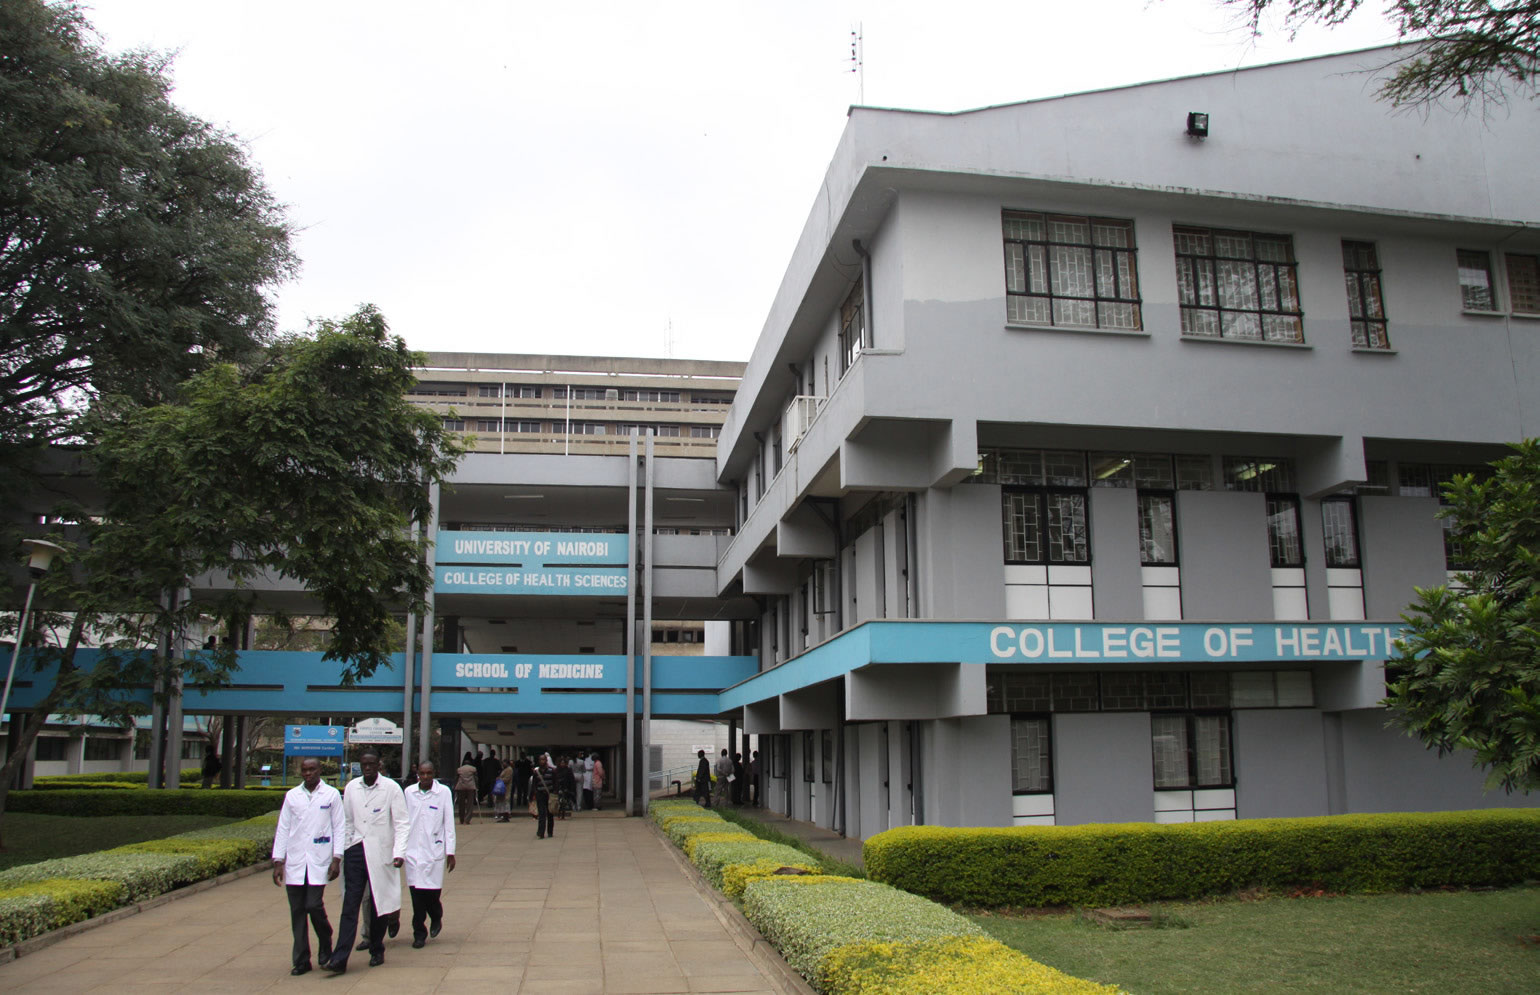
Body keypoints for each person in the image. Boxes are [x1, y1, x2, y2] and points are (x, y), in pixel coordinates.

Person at [323, 752, 409, 974]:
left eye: (371, 764)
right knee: (350, 904)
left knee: (378, 903)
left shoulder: (391, 788)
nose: (368, 768)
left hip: (381, 851)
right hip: (355, 850)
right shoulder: (352, 788)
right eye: (364, 765)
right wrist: (343, 851)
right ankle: (340, 958)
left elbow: (402, 823)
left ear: (379, 765)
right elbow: (347, 821)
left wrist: (399, 852)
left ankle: (376, 948)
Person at [271, 756, 344, 976]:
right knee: (297, 912)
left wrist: (336, 858)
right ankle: (302, 960)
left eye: (312, 769)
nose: (308, 773)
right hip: (295, 861)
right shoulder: (292, 796)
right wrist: (278, 861)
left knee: (313, 905)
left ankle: (325, 937)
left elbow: (339, 827)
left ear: (320, 770)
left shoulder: (331, 795)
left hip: (319, 860)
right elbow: (283, 828)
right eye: (304, 770)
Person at [403, 761, 456, 948]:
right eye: (422, 773)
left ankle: (436, 915)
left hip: (434, 850)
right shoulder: (409, 792)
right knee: (416, 896)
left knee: (432, 894)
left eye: (429, 773)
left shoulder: (443, 793)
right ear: (417, 774)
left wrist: (450, 852)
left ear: (434, 773)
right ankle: (419, 932)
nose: (425, 777)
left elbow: (448, 824)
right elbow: (403, 822)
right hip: (412, 851)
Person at [530, 753, 555, 839]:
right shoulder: (536, 772)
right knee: (541, 814)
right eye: (540, 760)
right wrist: (534, 793)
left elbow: (555, 783)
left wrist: (555, 793)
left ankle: (550, 832)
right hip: (540, 794)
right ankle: (541, 832)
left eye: (543, 759)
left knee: (550, 813)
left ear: (546, 760)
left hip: (549, 794)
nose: (542, 761)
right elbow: (534, 784)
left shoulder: (551, 771)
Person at [454, 755, 478, 825]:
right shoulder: (473, 769)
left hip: (461, 787)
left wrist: (455, 786)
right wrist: (477, 786)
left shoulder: (459, 769)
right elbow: (476, 778)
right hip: (470, 787)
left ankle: (461, 819)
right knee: (470, 804)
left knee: (461, 804)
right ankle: (467, 820)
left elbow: (457, 778)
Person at [493, 756, 514, 822]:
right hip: (502, 788)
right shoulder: (504, 769)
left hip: (506, 788)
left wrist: (500, 779)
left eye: (504, 763)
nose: (503, 764)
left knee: (505, 802)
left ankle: (506, 816)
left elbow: (507, 779)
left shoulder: (509, 769)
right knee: (502, 802)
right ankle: (503, 816)